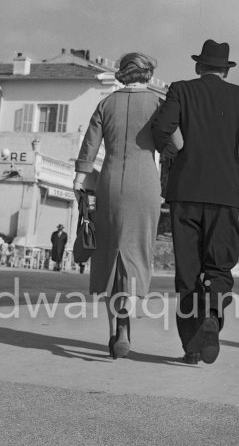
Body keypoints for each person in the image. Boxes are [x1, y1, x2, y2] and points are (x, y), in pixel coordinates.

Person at [152, 39, 239, 365]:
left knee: (187, 273)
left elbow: (163, 127)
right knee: (219, 265)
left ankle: (191, 346)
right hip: (224, 196)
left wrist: (176, 150)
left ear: (199, 66)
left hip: (184, 193)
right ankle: (213, 312)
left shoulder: (180, 90)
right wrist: (235, 163)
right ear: (225, 71)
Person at [73, 52, 167, 360]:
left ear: (122, 73)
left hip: (110, 183)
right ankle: (128, 313)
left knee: (109, 254)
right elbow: (175, 144)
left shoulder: (107, 104)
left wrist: (80, 178)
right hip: (146, 185)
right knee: (137, 254)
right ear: (148, 74)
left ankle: (115, 329)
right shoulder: (158, 104)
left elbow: (90, 144)